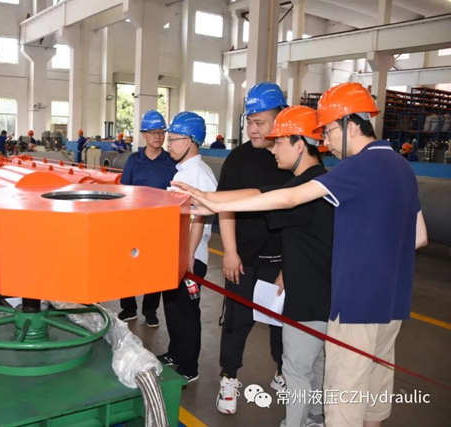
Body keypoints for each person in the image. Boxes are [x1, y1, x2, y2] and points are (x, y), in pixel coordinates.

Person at [179, 83, 428, 427]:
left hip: (355, 306)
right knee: (373, 397)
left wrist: (215, 203)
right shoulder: (401, 166)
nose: (325, 141)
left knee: (343, 401)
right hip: (392, 304)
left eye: (328, 130)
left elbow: (290, 198)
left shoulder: (357, 167)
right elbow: (418, 236)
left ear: (351, 125)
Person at [174, 106, 333, 427]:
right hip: (301, 282)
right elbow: (265, 194)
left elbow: (278, 198)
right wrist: (214, 203)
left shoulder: (310, 185)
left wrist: (213, 201)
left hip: (308, 291)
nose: (272, 147)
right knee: (306, 363)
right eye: (250, 123)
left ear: (299, 143)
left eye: (278, 140)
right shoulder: (306, 179)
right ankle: (311, 415)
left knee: (298, 366)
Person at [212, 82, 291, 415]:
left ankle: (283, 372)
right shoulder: (238, 159)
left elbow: (299, 219)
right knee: (236, 322)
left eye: (260, 122)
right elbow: (224, 207)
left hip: (281, 262)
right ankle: (229, 378)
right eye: (249, 121)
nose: (253, 129)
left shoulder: (291, 158)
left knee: (282, 326)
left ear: (280, 119)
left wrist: (288, 268)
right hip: (243, 260)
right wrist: (230, 252)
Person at [161, 111, 217, 383]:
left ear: (189, 141)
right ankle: (175, 353)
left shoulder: (200, 174)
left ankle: (189, 366)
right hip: (176, 253)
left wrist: (188, 256)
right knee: (173, 307)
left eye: (173, 139)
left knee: (187, 311)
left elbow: (200, 217)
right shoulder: (183, 171)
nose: (168, 144)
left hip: (191, 256)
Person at [118, 110, 177, 327]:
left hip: (160, 225)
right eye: (153, 132)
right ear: (144, 134)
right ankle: (128, 308)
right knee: (128, 267)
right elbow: (123, 192)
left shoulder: (171, 162)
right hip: (133, 223)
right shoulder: (134, 161)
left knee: (154, 269)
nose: (158, 136)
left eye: (161, 132)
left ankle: (150, 310)